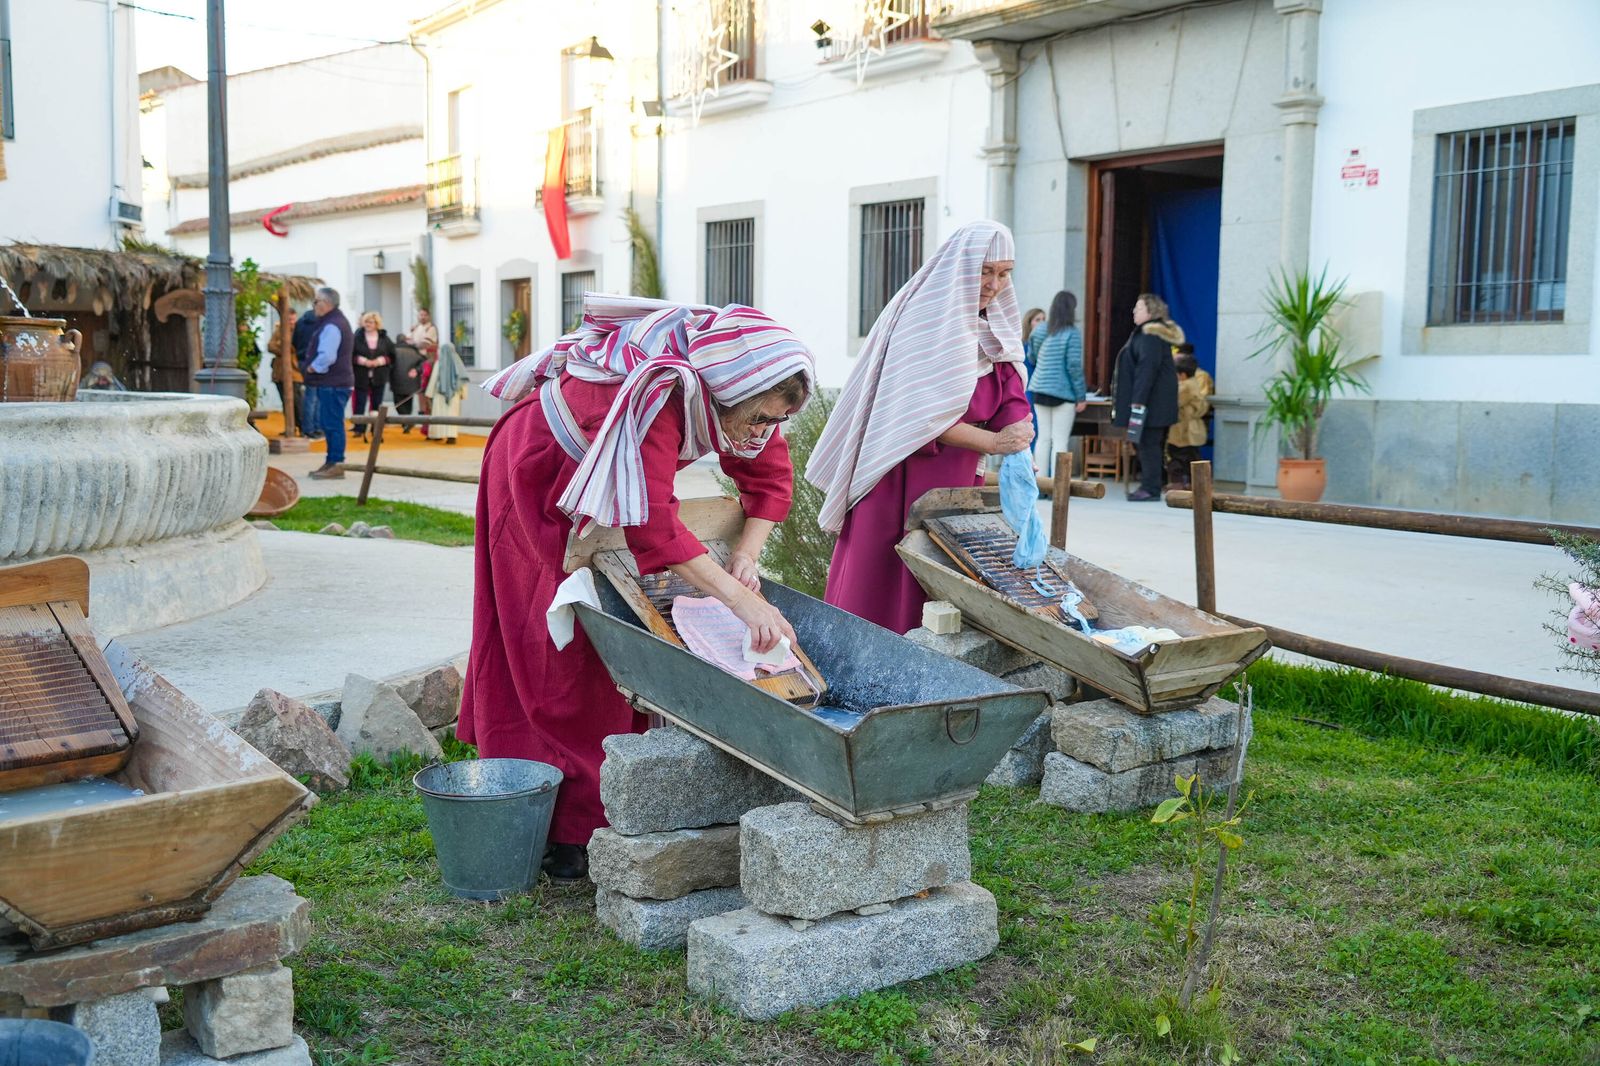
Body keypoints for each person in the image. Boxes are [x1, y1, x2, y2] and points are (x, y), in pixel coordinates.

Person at [459, 293, 815, 882]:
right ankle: (553, 819)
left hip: (600, 477)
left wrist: (747, 556)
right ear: (723, 394)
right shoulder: (664, 393)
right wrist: (737, 597)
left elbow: (769, 475)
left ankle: (599, 802)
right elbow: (652, 522)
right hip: (540, 470)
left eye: (777, 420)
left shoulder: (745, 386)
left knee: (615, 641)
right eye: (760, 418)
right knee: (553, 638)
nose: (765, 431)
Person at [809, 220, 1033, 634]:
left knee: (937, 580)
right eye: (985, 271)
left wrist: (1021, 441)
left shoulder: (993, 325)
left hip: (954, 478)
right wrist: (994, 441)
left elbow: (1009, 391)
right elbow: (917, 412)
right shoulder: (925, 321)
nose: (994, 284)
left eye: (1004, 273)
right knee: (883, 578)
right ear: (961, 267)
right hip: (900, 473)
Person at [1110, 292, 1183, 501]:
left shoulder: (1150, 335)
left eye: (1139, 308)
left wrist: (1138, 402)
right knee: (1150, 444)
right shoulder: (1150, 334)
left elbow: (1147, 370)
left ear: (1151, 312)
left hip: (1151, 405)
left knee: (1148, 444)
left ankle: (1150, 488)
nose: (1134, 311)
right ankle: (1153, 483)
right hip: (1155, 404)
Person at [1027, 290, 1087, 478]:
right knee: (1060, 441)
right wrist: (1081, 396)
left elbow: (1032, 355)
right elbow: (1074, 366)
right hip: (1063, 392)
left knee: (1043, 438)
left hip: (1039, 388)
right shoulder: (1072, 333)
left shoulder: (1041, 329)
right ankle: (1058, 485)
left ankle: (1041, 485)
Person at [304, 287, 355, 480]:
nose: (314, 305)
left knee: (332, 424)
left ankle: (336, 462)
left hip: (334, 382)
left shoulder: (332, 325)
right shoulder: (334, 322)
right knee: (329, 423)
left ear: (326, 304)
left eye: (316, 301)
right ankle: (331, 461)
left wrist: (313, 367)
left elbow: (327, 355)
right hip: (335, 382)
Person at [1166, 353, 1210, 490]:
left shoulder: (1184, 387)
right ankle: (1194, 483)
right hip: (1193, 430)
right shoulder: (1194, 383)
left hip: (1183, 431)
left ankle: (1179, 483)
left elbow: (1172, 401)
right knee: (1192, 457)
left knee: (1178, 457)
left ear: (1182, 375)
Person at [351, 311, 395, 442]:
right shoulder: (357, 337)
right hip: (361, 375)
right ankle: (359, 428)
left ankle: (376, 429)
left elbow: (392, 356)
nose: (368, 324)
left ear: (377, 324)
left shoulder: (384, 339)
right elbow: (349, 355)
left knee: (377, 404)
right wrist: (363, 361)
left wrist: (380, 361)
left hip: (379, 375)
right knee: (360, 402)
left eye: (371, 322)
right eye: (366, 322)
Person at [268, 309, 308, 436]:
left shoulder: (300, 331)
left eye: (292, 319)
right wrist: (283, 347)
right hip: (279, 372)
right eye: (288, 319)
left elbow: (295, 347)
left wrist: (283, 345)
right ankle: (290, 427)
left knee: (298, 402)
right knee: (285, 402)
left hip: (295, 373)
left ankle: (302, 428)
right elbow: (270, 346)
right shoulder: (278, 331)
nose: (290, 322)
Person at [424, 341, 468, 443]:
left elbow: (434, 379)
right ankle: (451, 436)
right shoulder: (458, 362)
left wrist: (429, 394)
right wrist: (463, 394)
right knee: (452, 415)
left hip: (440, 394)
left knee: (439, 414)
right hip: (454, 394)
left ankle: (438, 435)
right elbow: (462, 380)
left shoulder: (439, 362)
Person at [293, 305, 322, 439]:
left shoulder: (300, 321)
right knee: (316, 397)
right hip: (317, 361)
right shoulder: (323, 322)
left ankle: (309, 428)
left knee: (310, 396)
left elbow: (295, 341)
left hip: (303, 361)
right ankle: (314, 428)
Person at [389, 340, 426, 432]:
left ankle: (406, 422)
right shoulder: (414, 351)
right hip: (411, 381)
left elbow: (389, 364)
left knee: (398, 403)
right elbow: (424, 362)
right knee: (408, 402)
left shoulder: (393, 350)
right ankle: (407, 421)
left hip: (396, 380)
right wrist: (417, 370)